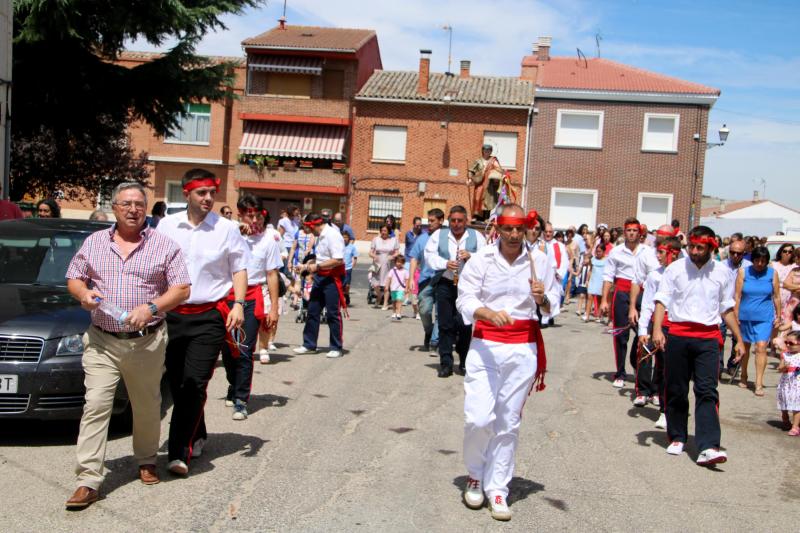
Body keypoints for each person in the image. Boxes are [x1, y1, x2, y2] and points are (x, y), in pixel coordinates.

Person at [64, 182, 191, 508]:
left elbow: (181, 289)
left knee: (147, 405)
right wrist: (83, 294)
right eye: (126, 203)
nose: (133, 209)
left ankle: (147, 459)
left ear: (145, 207)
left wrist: (150, 308)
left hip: (146, 342)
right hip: (103, 341)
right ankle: (88, 479)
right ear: (115, 207)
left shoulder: (164, 245)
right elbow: (74, 277)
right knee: (96, 405)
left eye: (138, 203)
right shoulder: (94, 243)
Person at [457, 204, 557, 521]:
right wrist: (486, 312)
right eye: (508, 228)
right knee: (479, 417)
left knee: (508, 421)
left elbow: (554, 305)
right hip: (485, 345)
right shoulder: (481, 260)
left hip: (522, 349)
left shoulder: (539, 261)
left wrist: (542, 298)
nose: (514, 235)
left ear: (527, 227)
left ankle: (497, 486)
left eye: (519, 228)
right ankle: (475, 474)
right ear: (497, 228)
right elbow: (465, 297)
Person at [156, 168, 249, 476]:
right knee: (178, 383)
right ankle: (196, 431)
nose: (209, 198)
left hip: (209, 315)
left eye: (212, 193)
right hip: (171, 315)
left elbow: (238, 268)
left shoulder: (227, 228)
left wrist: (238, 304)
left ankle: (178, 451)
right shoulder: (166, 226)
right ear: (187, 194)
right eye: (202, 193)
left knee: (196, 382)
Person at [652, 226, 745, 466]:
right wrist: (656, 329)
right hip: (678, 336)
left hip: (708, 339)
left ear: (711, 247)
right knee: (676, 389)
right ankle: (677, 436)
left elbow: (727, 308)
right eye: (691, 246)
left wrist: (739, 340)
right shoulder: (675, 269)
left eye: (700, 247)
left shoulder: (723, 273)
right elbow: (661, 300)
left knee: (707, 390)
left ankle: (708, 446)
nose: (694, 251)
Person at [220, 195, 281, 420]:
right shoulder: (229, 232)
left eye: (257, 215)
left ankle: (241, 399)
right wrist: (237, 231)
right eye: (249, 215)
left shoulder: (269, 240)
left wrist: (273, 308)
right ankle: (233, 385)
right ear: (240, 214)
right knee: (228, 349)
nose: (253, 220)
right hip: (227, 296)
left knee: (245, 350)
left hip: (253, 296)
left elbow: (272, 274)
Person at [425, 205, 486, 377]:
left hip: (467, 286)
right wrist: (445, 263)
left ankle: (465, 360)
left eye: (460, 220)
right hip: (445, 283)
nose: (457, 224)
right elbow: (429, 256)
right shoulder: (439, 235)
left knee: (464, 323)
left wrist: (471, 257)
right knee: (445, 324)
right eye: (453, 220)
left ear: (466, 221)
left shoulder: (477, 236)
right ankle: (446, 362)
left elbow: (487, 257)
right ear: (449, 221)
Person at [636, 236, 682, 425]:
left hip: (681, 328)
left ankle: (676, 409)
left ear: (674, 253)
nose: (658, 256)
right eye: (657, 251)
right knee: (663, 369)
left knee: (678, 372)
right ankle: (664, 411)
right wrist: (642, 331)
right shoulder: (654, 275)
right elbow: (647, 304)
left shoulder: (685, 273)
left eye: (662, 252)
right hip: (661, 327)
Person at [293, 213, 346, 358]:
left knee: (332, 313)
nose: (307, 231)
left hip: (332, 278)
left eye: (308, 227)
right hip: (320, 277)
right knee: (312, 310)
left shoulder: (333, 235)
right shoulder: (319, 236)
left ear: (314, 224)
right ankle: (309, 344)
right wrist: (306, 266)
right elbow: (321, 257)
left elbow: (338, 259)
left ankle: (336, 347)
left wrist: (317, 267)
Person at [600, 218, 645, 388]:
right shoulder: (616, 252)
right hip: (621, 292)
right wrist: (604, 299)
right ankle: (620, 372)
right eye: (629, 230)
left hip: (641, 293)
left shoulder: (647, 251)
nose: (632, 233)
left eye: (635, 230)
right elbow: (608, 276)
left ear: (639, 233)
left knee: (642, 332)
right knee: (620, 335)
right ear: (624, 232)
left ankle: (638, 366)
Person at [734, 246, 781, 396]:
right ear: (752, 260)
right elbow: (737, 296)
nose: (760, 264)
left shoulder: (772, 274)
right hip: (745, 315)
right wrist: (735, 315)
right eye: (757, 260)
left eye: (763, 261)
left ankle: (759, 382)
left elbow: (777, 296)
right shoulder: (743, 272)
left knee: (761, 347)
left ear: (767, 261)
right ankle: (744, 375)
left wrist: (778, 315)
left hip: (765, 317)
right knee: (745, 347)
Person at [408, 208, 444, 354]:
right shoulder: (422, 238)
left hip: (443, 280)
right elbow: (414, 258)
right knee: (424, 310)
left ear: (441, 221)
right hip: (425, 280)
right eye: (428, 221)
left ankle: (435, 342)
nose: (429, 224)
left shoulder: (447, 237)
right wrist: (410, 278)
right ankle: (429, 331)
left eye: (432, 221)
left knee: (440, 313)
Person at [720, 239, 751, 372]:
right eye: (732, 253)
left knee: (737, 337)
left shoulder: (749, 267)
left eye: (739, 253)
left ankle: (733, 364)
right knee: (720, 335)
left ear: (744, 253)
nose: (735, 256)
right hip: (722, 305)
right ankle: (718, 366)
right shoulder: (720, 265)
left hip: (740, 305)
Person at [467, 143, 504, 222]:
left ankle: (487, 217)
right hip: (480, 183)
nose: (487, 152)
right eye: (485, 150)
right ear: (482, 151)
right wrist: (470, 179)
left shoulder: (493, 160)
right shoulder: (478, 161)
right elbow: (471, 171)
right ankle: (476, 217)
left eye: (489, 150)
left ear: (491, 151)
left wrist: (501, 174)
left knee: (488, 200)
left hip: (489, 184)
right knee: (477, 199)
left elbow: (499, 169)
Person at [369, 225, 399, 310]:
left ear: (389, 231)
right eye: (382, 230)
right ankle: (379, 296)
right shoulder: (376, 239)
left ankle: (385, 303)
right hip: (377, 263)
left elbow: (397, 252)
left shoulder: (394, 240)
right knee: (375, 284)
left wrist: (392, 256)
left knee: (386, 285)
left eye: (385, 230)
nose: (383, 232)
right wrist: (374, 256)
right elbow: (370, 252)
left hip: (388, 263)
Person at [776, 330, 800, 435]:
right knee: (784, 403)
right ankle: (785, 419)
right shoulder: (785, 354)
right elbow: (779, 368)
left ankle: (795, 427)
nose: (788, 345)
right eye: (786, 342)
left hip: (797, 384)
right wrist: (783, 367)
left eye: (791, 343)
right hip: (786, 383)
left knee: (797, 406)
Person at [772, 244, 796, 310]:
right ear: (780, 252)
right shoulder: (773, 265)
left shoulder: (795, 266)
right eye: (785, 251)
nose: (787, 253)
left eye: (790, 252)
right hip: (774, 297)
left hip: (790, 299)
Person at [586, 245, 606, 321]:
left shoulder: (606, 260)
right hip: (593, 280)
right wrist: (587, 280)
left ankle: (599, 315)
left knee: (600, 298)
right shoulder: (593, 259)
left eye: (599, 251)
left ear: (603, 252)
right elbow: (590, 270)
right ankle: (587, 315)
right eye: (597, 251)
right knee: (590, 297)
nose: (598, 253)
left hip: (601, 281)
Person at [387, 256, 408, 321]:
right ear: (395, 262)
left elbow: (407, 280)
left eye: (401, 262)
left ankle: (398, 313)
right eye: (397, 262)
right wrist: (387, 286)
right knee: (394, 301)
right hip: (393, 288)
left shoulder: (405, 271)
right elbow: (389, 279)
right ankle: (394, 312)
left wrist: (406, 288)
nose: (399, 263)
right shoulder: (392, 270)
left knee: (399, 300)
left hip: (401, 288)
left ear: (403, 263)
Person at [342, 231, 359, 306]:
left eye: (346, 237)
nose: (344, 239)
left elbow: (355, 257)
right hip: (340, 268)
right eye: (343, 237)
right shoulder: (339, 246)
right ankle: (341, 298)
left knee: (347, 285)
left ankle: (347, 295)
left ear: (349, 238)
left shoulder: (352, 247)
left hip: (348, 268)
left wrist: (353, 264)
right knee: (341, 284)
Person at [573, 254, 591, 321]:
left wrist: (588, 281)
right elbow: (577, 273)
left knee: (587, 298)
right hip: (582, 283)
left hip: (588, 284)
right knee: (581, 296)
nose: (584, 260)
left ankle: (586, 310)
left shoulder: (591, 267)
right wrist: (572, 272)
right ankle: (579, 310)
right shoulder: (582, 267)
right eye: (584, 259)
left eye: (586, 259)